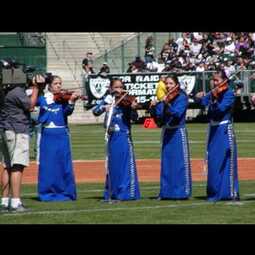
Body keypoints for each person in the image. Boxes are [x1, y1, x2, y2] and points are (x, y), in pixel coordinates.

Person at [195, 70, 240, 202]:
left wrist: (213, 99)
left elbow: (220, 109)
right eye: (213, 80)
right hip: (214, 129)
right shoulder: (214, 92)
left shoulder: (229, 93)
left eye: (217, 80)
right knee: (213, 161)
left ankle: (230, 192)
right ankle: (214, 192)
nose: (215, 83)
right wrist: (200, 97)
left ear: (224, 80)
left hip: (224, 129)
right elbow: (203, 102)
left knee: (226, 161)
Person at [92, 78, 140, 201]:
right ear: (111, 89)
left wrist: (133, 108)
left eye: (120, 87)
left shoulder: (126, 102)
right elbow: (95, 111)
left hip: (123, 136)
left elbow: (134, 118)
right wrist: (104, 107)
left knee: (124, 165)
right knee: (113, 166)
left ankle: (126, 193)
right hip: (111, 137)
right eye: (116, 87)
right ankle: (113, 192)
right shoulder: (108, 100)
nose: (119, 90)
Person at [0, 75, 42, 212]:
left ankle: (5, 201)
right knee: (17, 166)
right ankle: (16, 202)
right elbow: (30, 106)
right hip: (17, 130)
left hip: (5, 129)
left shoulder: (4, 90)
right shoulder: (16, 91)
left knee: (7, 166)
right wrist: (36, 88)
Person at [36, 75, 79, 201]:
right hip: (47, 136)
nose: (59, 86)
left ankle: (66, 192)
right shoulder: (43, 98)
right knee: (48, 165)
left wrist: (71, 101)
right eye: (56, 83)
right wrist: (39, 88)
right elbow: (33, 102)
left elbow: (67, 112)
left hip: (61, 135)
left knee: (63, 164)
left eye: (60, 83)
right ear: (49, 85)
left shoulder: (63, 100)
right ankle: (46, 193)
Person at [150, 75, 192, 200]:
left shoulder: (182, 97)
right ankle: (165, 192)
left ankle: (182, 192)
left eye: (171, 83)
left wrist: (166, 103)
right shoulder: (165, 98)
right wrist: (153, 107)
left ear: (176, 85)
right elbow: (159, 119)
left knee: (179, 163)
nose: (168, 86)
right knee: (167, 164)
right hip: (167, 132)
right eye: (166, 84)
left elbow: (177, 113)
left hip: (178, 132)